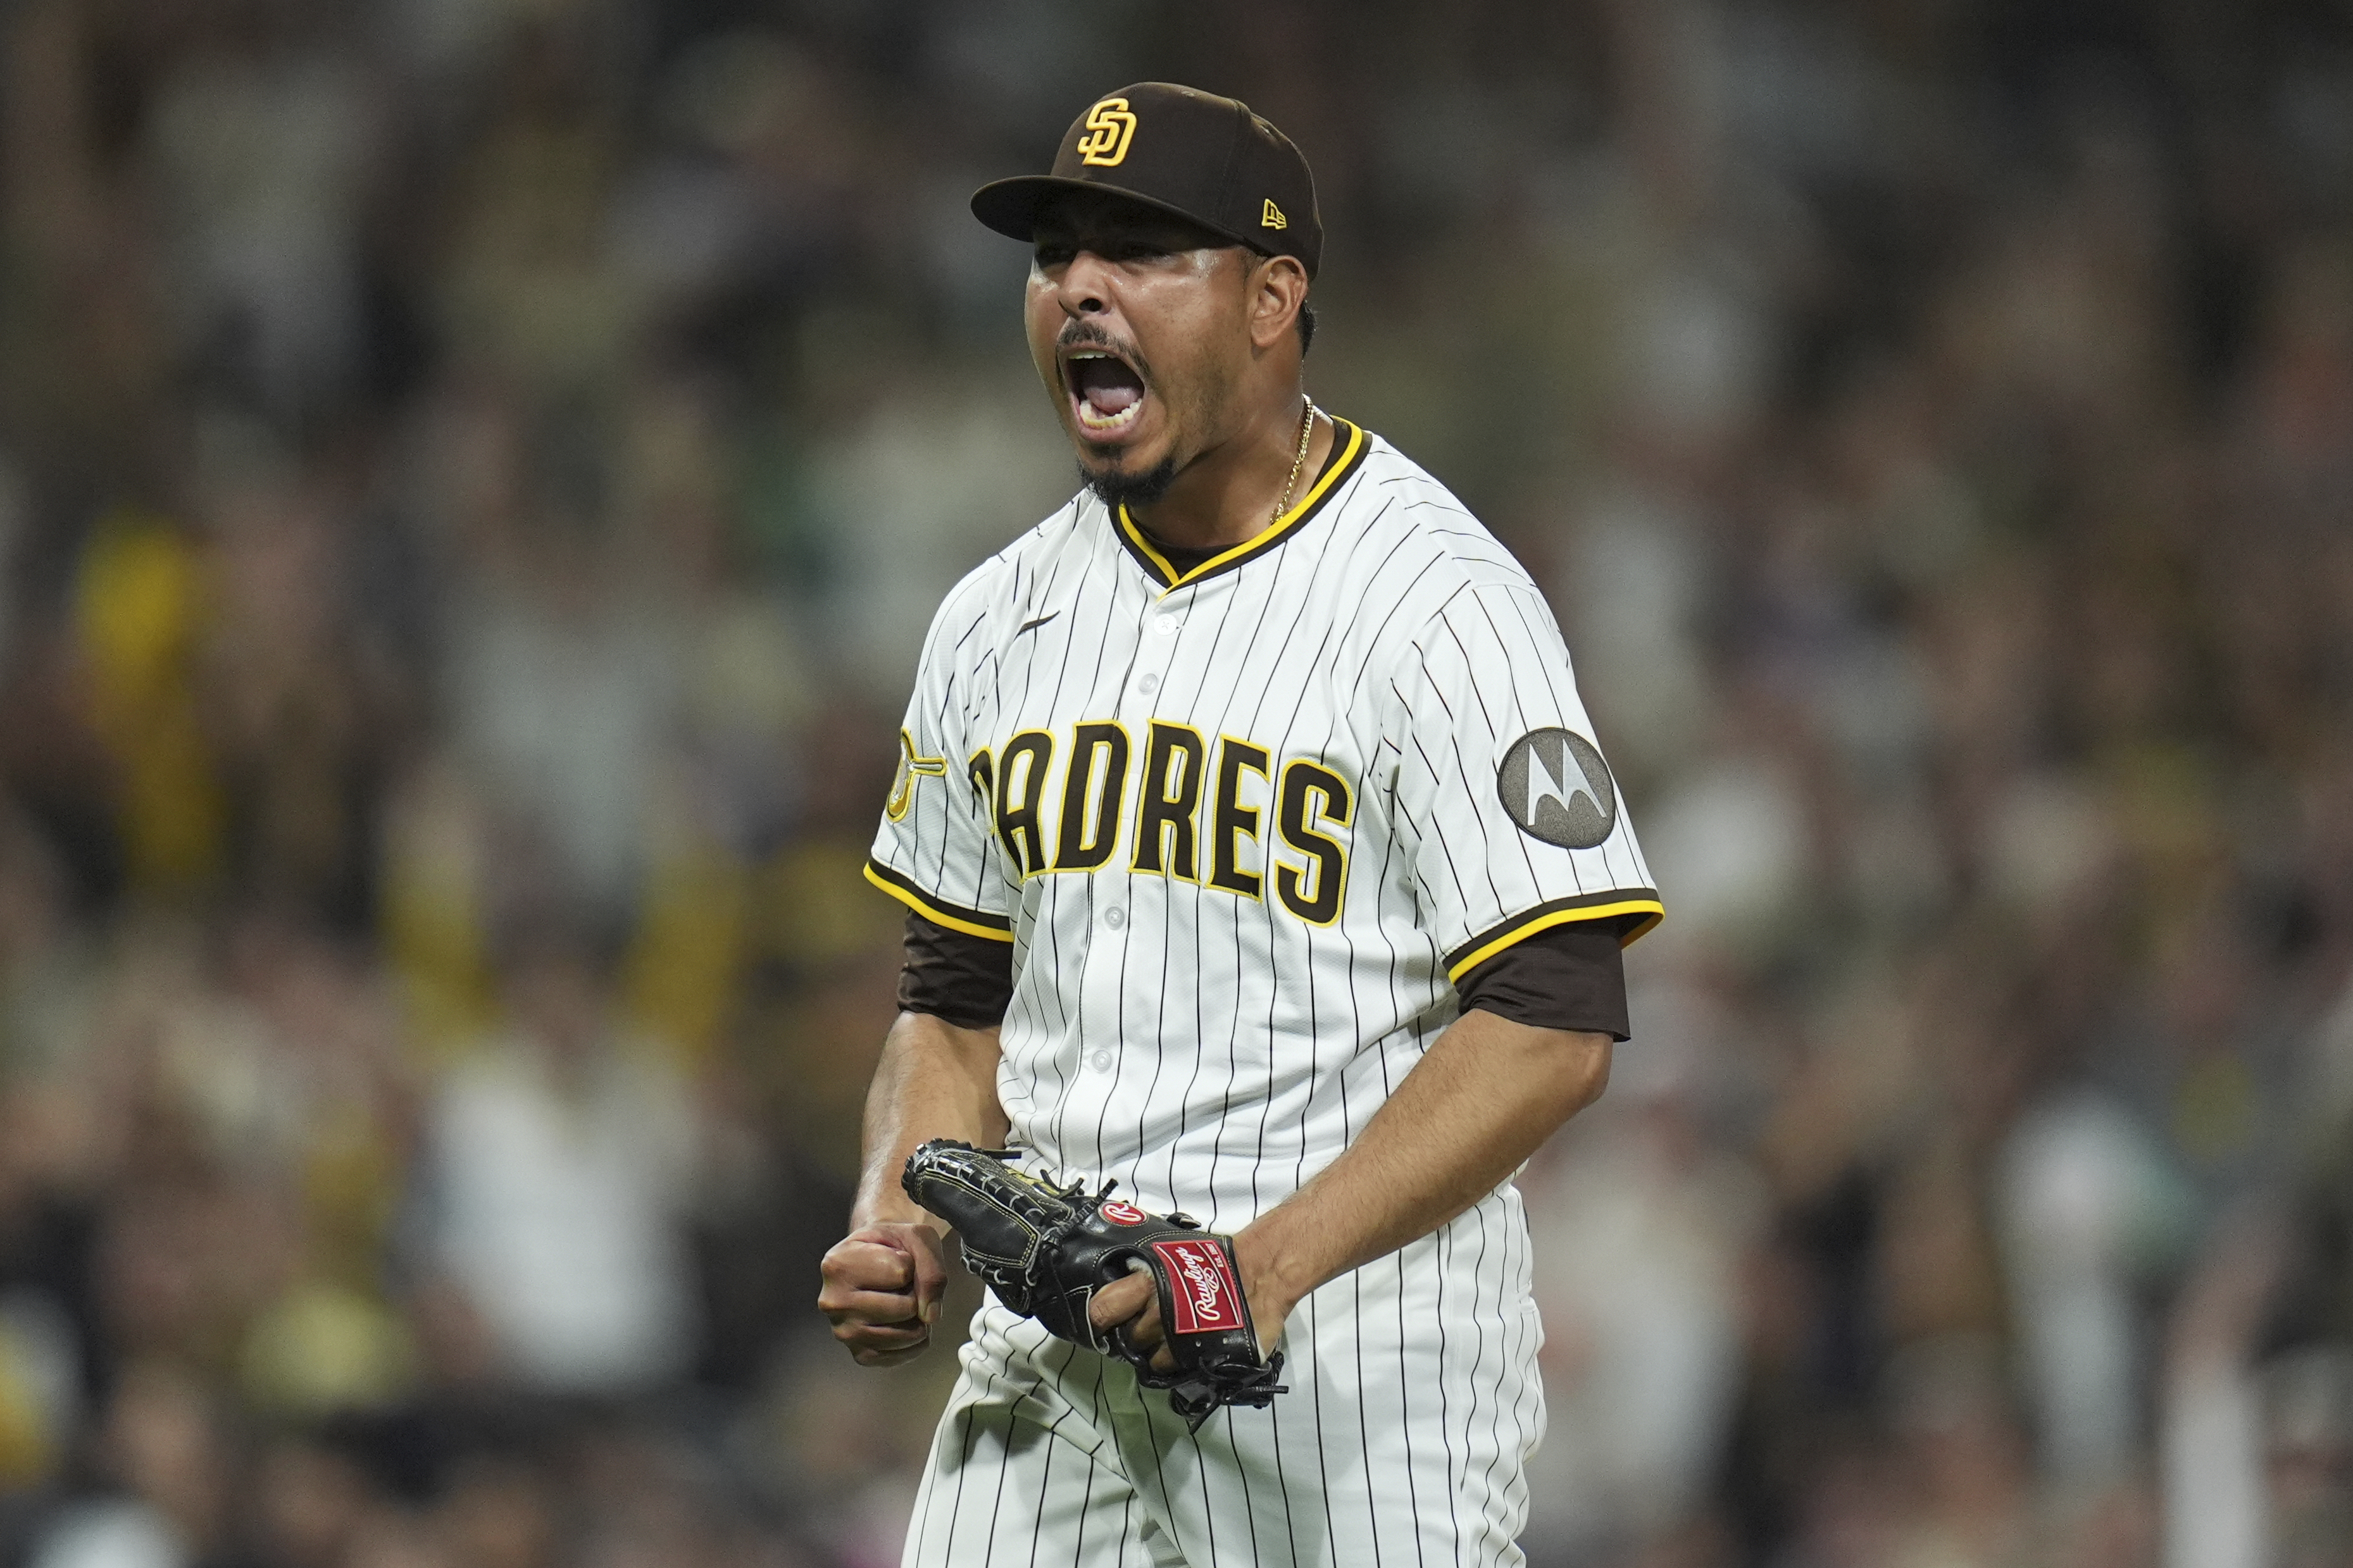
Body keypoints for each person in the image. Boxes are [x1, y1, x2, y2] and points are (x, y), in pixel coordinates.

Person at [817, 82, 1663, 1567]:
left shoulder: (1437, 606)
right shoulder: (990, 621)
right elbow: (951, 1005)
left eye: (1139, 250)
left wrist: (1258, 1272)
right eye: (1056, 252)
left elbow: (1552, 1020)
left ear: (1272, 297)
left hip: (1354, 1378)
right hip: (1054, 1370)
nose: (1078, 285)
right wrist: (899, 1221)